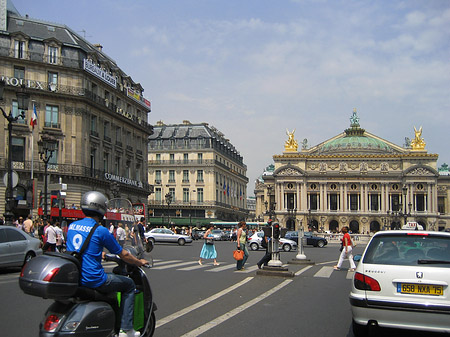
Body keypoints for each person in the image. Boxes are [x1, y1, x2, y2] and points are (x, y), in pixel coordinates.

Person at [66, 191, 148, 337]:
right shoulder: (101, 230)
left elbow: (79, 249)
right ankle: (126, 329)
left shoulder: (72, 226)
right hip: (94, 279)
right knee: (128, 285)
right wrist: (138, 261)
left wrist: (101, 253)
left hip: (77, 277)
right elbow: (123, 254)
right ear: (101, 208)